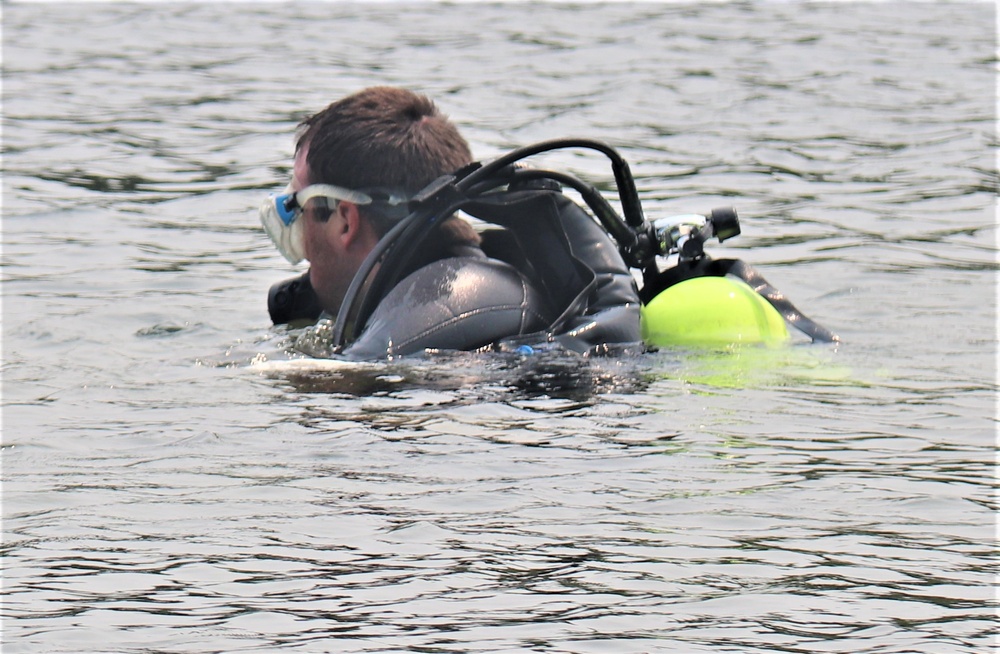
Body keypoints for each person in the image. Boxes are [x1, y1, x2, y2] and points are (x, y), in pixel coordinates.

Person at [260, 86, 641, 359]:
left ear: (345, 220)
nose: (295, 231)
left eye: (296, 207)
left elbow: (351, 383)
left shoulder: (443, 308)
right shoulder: (482, 281)